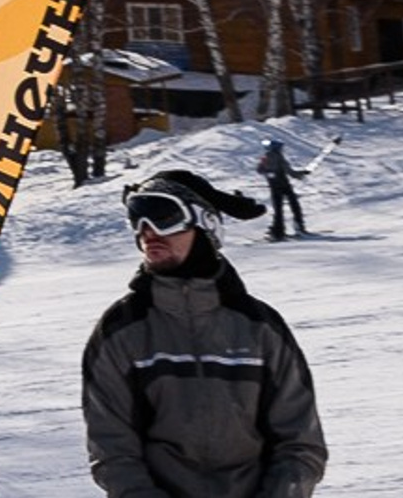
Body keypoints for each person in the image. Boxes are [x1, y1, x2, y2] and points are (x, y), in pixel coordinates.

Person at [81, 167, 327, 498]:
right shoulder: (122, 329)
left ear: (205, 224)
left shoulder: (259, 327)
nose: (148, 231)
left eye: (163, 216)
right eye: (137, 217)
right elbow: (113, 451)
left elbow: (300, 443)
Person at [256, 135, 308, 241]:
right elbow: (288, 170)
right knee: (294, 205)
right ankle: (296, 227)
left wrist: (269, 173)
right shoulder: (275, 156)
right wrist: (299, 174)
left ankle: (278, 231)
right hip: (282, 185)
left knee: (279, 209)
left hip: (276, 186)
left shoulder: (267, 157)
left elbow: (260, 170)